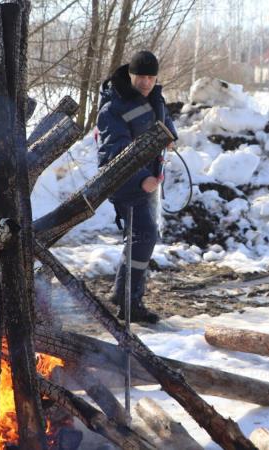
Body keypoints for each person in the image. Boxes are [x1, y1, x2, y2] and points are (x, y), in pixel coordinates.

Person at [96, 50, 177, 324]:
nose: (146, 82)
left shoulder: (155, 97)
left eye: (151, 78)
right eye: (140, 77)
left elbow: (165, 123)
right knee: (144, 235)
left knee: (142, 237)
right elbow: (115, 153)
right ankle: (127, 300)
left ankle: (128, 298)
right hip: (126, 181)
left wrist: (170, 138)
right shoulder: (113, 108)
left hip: (149, 181)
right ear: (130, 75)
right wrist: (141, 178)